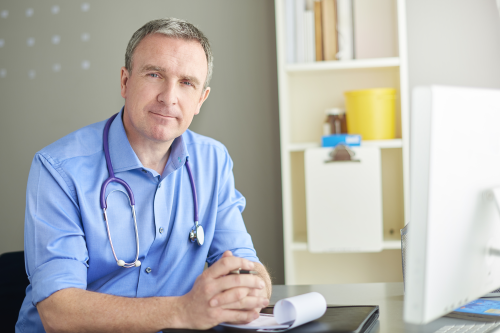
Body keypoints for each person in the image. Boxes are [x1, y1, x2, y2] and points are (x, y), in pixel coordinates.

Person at [16, 18, 272, 333]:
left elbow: (243, 261)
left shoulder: (212, 161)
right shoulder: (58, 168)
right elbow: (59, 313)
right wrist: (181, 310)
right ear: (125, 82)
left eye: (187, 83)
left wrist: (254, 285)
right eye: (155, 74)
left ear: (201, 100)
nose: (169, 96)